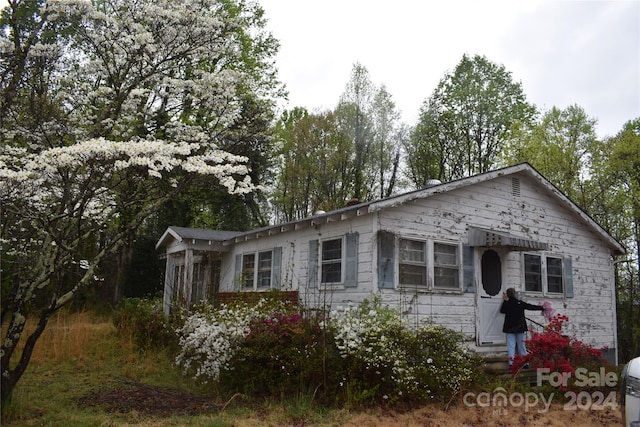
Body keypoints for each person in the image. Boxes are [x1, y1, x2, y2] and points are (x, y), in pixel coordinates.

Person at [500, 287, 544, 366]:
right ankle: (525, 363)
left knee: (511, 345)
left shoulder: (507, 303)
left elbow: (502, 311)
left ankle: (511, 363)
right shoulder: (519, 303)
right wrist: (541, 308)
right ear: (514, 294)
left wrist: (504, 301)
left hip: (509, 328)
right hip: (520, 327)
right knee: (521, 345)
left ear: (507, 294)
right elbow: (530, 307)